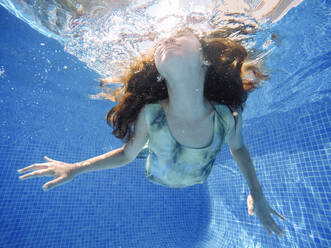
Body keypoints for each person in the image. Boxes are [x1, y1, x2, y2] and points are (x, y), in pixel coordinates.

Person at [18, 29, 286, 236]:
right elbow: (125, 154)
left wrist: (257, 193)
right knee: (141, 148)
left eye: (182, 35)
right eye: (163, 41)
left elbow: (238, 148)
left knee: (152, 145)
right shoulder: (151, 114)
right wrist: (75, 168)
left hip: (195, 175)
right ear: (159, 71)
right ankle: (152, 146)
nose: (168, 37)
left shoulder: (226, 118)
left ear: (204, 60)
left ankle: (153, 146)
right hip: (155, 170)